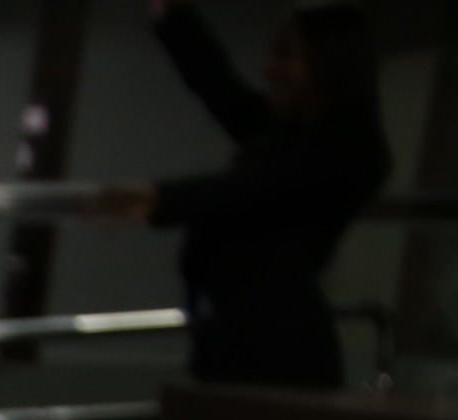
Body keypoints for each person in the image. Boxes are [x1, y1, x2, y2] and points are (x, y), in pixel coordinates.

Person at [97, 0, 391, 389]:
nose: (270, 69)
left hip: (278, 354)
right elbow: (216, 84)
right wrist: (167, 12)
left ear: (331, 61)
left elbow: (259, 187)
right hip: (239, 337)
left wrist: (159, 199)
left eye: (287, 54)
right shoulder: (291, 132)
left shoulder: (350, 149)